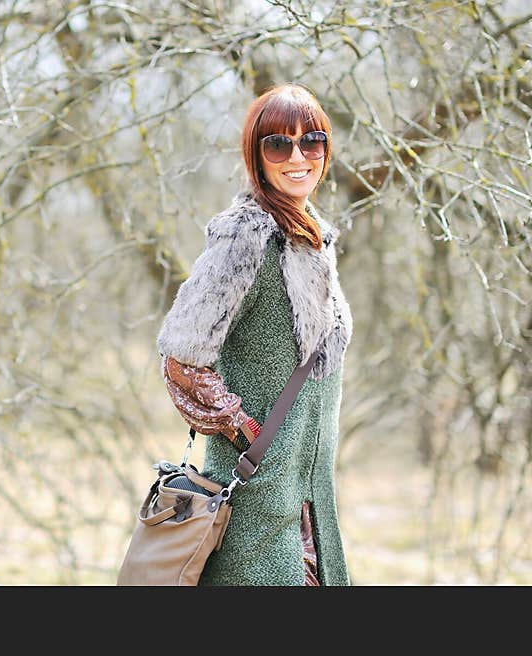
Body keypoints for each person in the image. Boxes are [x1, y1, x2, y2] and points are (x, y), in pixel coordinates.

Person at [156, 83, 353, 585]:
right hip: (254, 512)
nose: (297, 156)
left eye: (311, 141)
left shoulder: (312, 237)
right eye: (278, 144)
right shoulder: (247, 236)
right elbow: (181, 354)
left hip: (310, 506)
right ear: (256, 154)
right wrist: (242, 425)